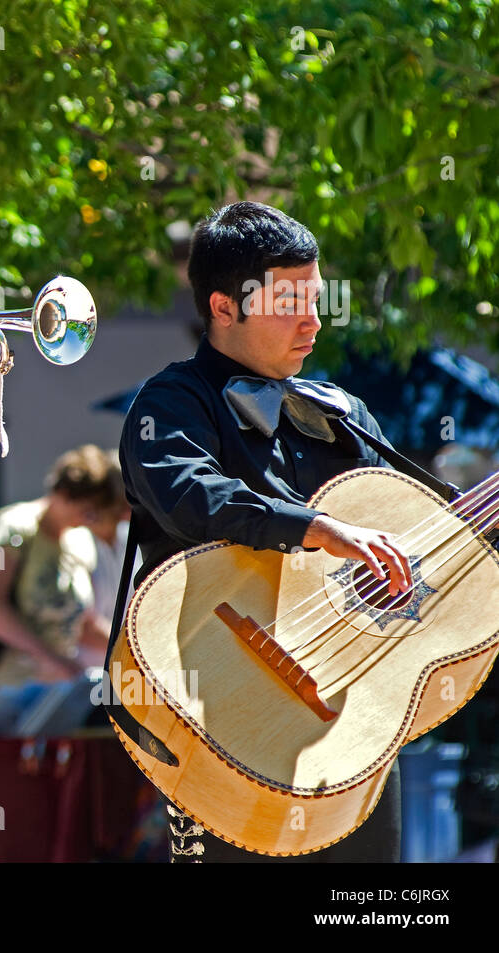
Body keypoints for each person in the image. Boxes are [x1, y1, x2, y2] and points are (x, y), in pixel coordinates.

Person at [119, 201, 413, 863]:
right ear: (223, 306)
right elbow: (193, 497)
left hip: (355, 728)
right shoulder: (170, 404)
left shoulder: (346, 413)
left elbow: (405, 533)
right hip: (222, 729)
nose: (312, 319)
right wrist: (317, 527)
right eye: (289, 301)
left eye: (315, 297)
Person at [0, 445, 128, 727]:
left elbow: (82, 625)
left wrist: (128, 649)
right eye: (85, 510)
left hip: (51, 693)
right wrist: (48, 657)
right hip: (2, 687)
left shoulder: (81, 542)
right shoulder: (14, 528)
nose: (87, 519)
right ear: (64, 494)